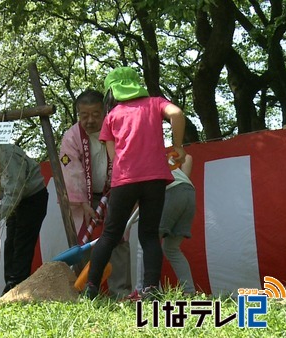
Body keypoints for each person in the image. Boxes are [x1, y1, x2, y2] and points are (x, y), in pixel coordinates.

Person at [84, 66, 186, 300]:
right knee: (149, 235)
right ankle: (151, 290)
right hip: (155, 179)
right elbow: (177, 114)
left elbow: (113, 157)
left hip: (124, 180)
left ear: (112, 92)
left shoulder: (111, 117)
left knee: (110, 235)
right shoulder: (155, 103)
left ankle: (91, 288)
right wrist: (178, 146)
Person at [59, 89, 133, 299]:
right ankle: (89, 292)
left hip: (116, 191)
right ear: (78, 114)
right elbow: (70, 171)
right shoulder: (72, 136)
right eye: (84, 115)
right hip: (85, 199)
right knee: (86, 242)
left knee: (118, 240)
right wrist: (82, 203)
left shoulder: (117, 129)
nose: (90, 120)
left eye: (95, 114)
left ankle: (121, 292)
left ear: (104, 112)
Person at [0, 134, 49, 296]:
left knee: (21, 244)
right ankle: (10, 290)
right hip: (12, 201)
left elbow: (15, 192)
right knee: (10, 245)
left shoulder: (5, 154)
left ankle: (18, 292)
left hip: (31, 198)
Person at [132, 154, 196, 298]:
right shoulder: (158, 154)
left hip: (171, 191)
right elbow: (188, 157)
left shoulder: (135, 158)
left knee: (146, 242)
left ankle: (142, 291)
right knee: (171, 248)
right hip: (189, 192)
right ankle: (189, 291)